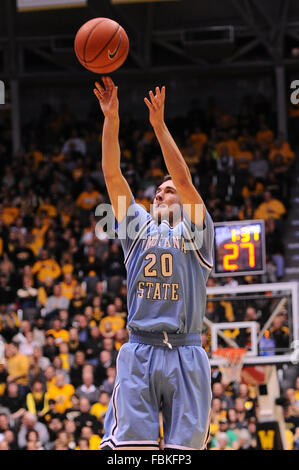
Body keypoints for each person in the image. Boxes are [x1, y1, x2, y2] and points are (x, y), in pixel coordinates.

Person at [94, 76, 214, 450]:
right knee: (129, 455)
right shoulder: (138, 228)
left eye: (169, 191)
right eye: (158, 191)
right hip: (140, 348)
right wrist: (111, 120)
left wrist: (159, 127)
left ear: (184, 201)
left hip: (186, 350)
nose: (161, 193)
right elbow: (113, 176)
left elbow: (182, 177)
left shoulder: (198, 231)